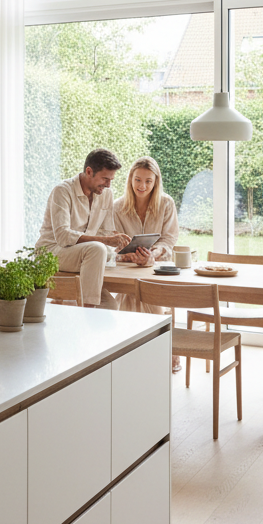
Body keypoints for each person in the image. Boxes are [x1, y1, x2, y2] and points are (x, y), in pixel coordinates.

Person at [35, 148, 130, 309]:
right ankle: (85, 311)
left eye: (111, 180)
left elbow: (105, 233)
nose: (108, 185)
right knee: (98, 249)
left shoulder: (106, 194)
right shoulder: (63, 191)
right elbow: (63, 236)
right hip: (51, 252)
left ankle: (74, 306)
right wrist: (105, 241)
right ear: (89, 171)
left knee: (110, 307)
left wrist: (119, 245)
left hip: (83, 255)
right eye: (105, 179)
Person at [113, 155, 181, 368]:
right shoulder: (117, 207)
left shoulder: (166, 204)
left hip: (158, 268)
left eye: (148, 181)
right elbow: (113, 242)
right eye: (138, 180)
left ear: (156, 182)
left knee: (146, 293)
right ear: (130, 179)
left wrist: (154, 254)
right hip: (127, 268)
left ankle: (149, 354)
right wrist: (127, 255)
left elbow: (169, 239)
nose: (142, 186)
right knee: (132, 292)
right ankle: (151, 353)